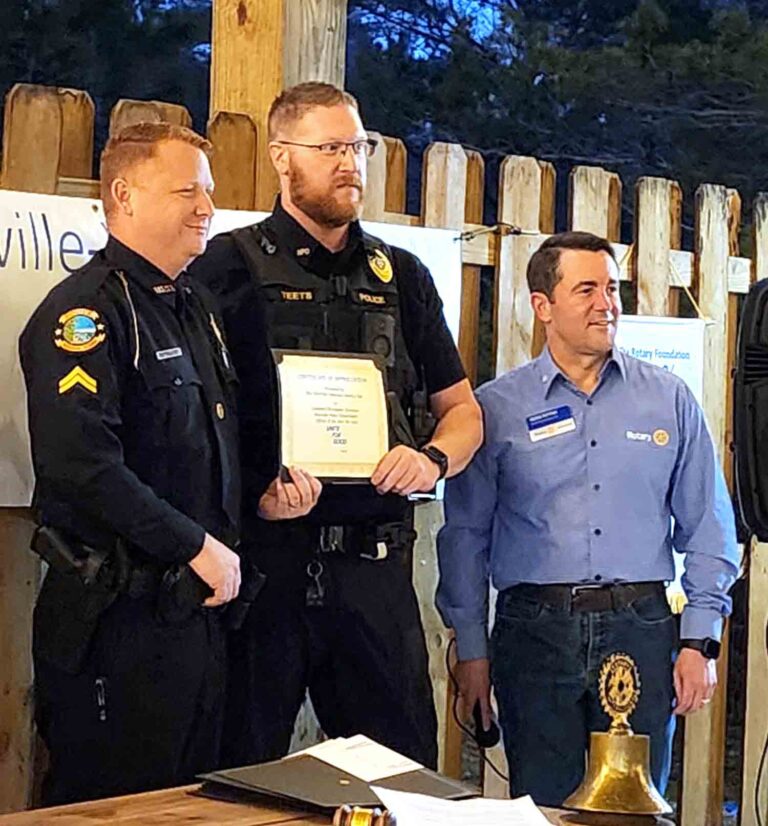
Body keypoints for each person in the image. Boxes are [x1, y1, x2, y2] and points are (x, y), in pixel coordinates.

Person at [190, 81, 482, 769]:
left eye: (358, 146)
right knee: (238, 776)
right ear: (282, 157)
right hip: (267, 566)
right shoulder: (225, 267)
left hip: (373, 569)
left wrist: (433, 460)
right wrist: (253, 488)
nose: (350, 163)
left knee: (401, 782)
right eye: (330, 148)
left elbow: (464, 411)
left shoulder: (401, 275)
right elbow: (193, 422)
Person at [436, 231, 740, 806]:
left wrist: (700, 640)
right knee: (544, 805)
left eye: (612, 287)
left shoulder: (668, 400)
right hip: (534, 634)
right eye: (586, 290)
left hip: (642, 629)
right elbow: (465, 538)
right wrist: (472, 652)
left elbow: (709, 526)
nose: (607, 303)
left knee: (637, 807)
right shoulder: (496, 409)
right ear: (543, 305)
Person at [20, 122, 242, 804]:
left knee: (187, 806)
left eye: (207, 190)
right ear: (124, 195)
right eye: (186, 191)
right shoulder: (86, 313)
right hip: (117, 623)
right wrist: (192, 543)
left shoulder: (192, 306)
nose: (206, 207)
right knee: (113, 807)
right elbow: (79, 463)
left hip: (191, 622)